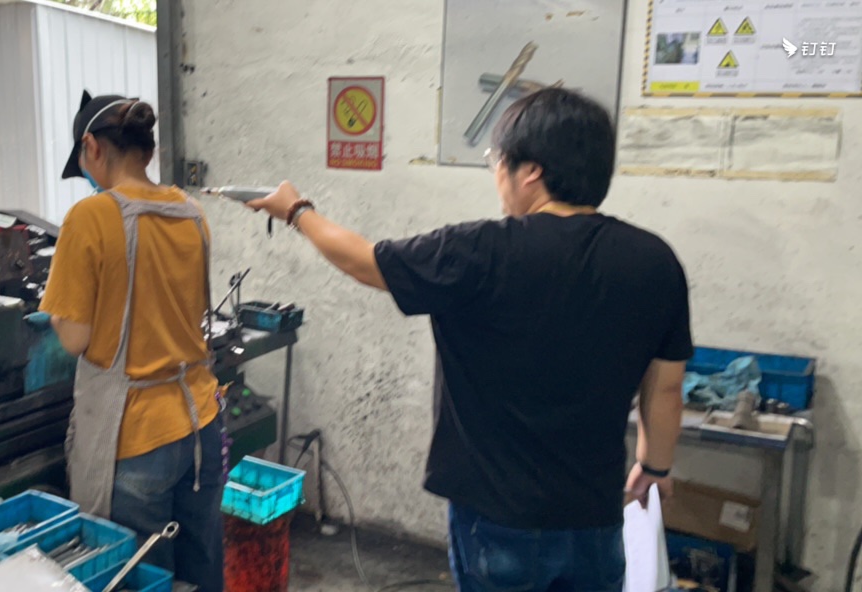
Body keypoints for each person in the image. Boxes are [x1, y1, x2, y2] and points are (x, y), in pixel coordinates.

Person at [247, 88, 690, 592]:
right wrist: (654, 466)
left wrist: (296, 210)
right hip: (595, 516)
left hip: (497, 518)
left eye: (497, 160)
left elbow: (365, 262)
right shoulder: (655, 262)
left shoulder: (481, 250)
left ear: (531, 171)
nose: (496, 174)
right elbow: (666, 388)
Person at [39, 91, 224, 592]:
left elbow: (74, 338)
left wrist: (54, 309)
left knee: (140, 579)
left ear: (92, 147)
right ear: (148, 150)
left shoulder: (90, 217)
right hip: (201, 424)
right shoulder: (192, 213)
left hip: (136, 437)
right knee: (201, 569)